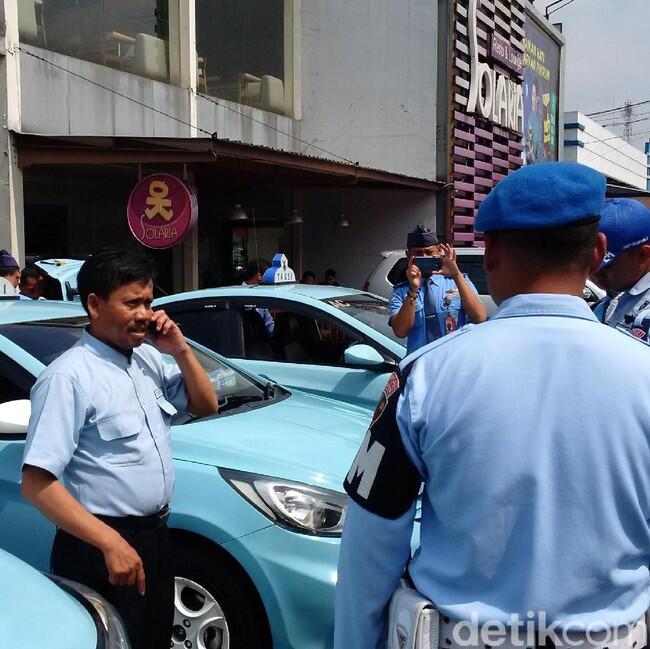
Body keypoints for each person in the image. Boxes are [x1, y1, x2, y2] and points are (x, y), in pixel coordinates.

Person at [335, 163, 650, 649]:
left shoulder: (424, 378)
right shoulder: (642, 373)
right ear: (597, 253)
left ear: (493, 250)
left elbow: (369, 547)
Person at [21, 248, 219, 649]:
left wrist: (180, 349)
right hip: (98, 548)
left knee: (151, 639)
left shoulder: (146, 358)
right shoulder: (68, 378)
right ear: (95, 304)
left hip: (155, 538)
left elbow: (205, 404)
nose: (145, 314)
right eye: (132, 303)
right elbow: (37, 484)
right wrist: (110, 543)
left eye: (148, 302)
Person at [389, 226, 487, 355]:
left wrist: (456, 274)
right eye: (418, 254)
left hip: (453, 361)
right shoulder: (402, 291)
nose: (424, 257)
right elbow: (400, 331)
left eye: (429, 253)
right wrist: (413, 289)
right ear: (408, 256)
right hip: (420, 365)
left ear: (439, 251)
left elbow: (479, 317)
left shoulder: (457, 281)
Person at [590, 198, 650, 338]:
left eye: (608, 265)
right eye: (591, 263)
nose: (595, 272)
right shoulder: (600, 306)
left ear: (644, 254)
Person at [243, 258, 274, 335]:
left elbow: (269, 324)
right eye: (268, 276)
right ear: (259, 276)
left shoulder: (260, 296)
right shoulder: (239, 296)